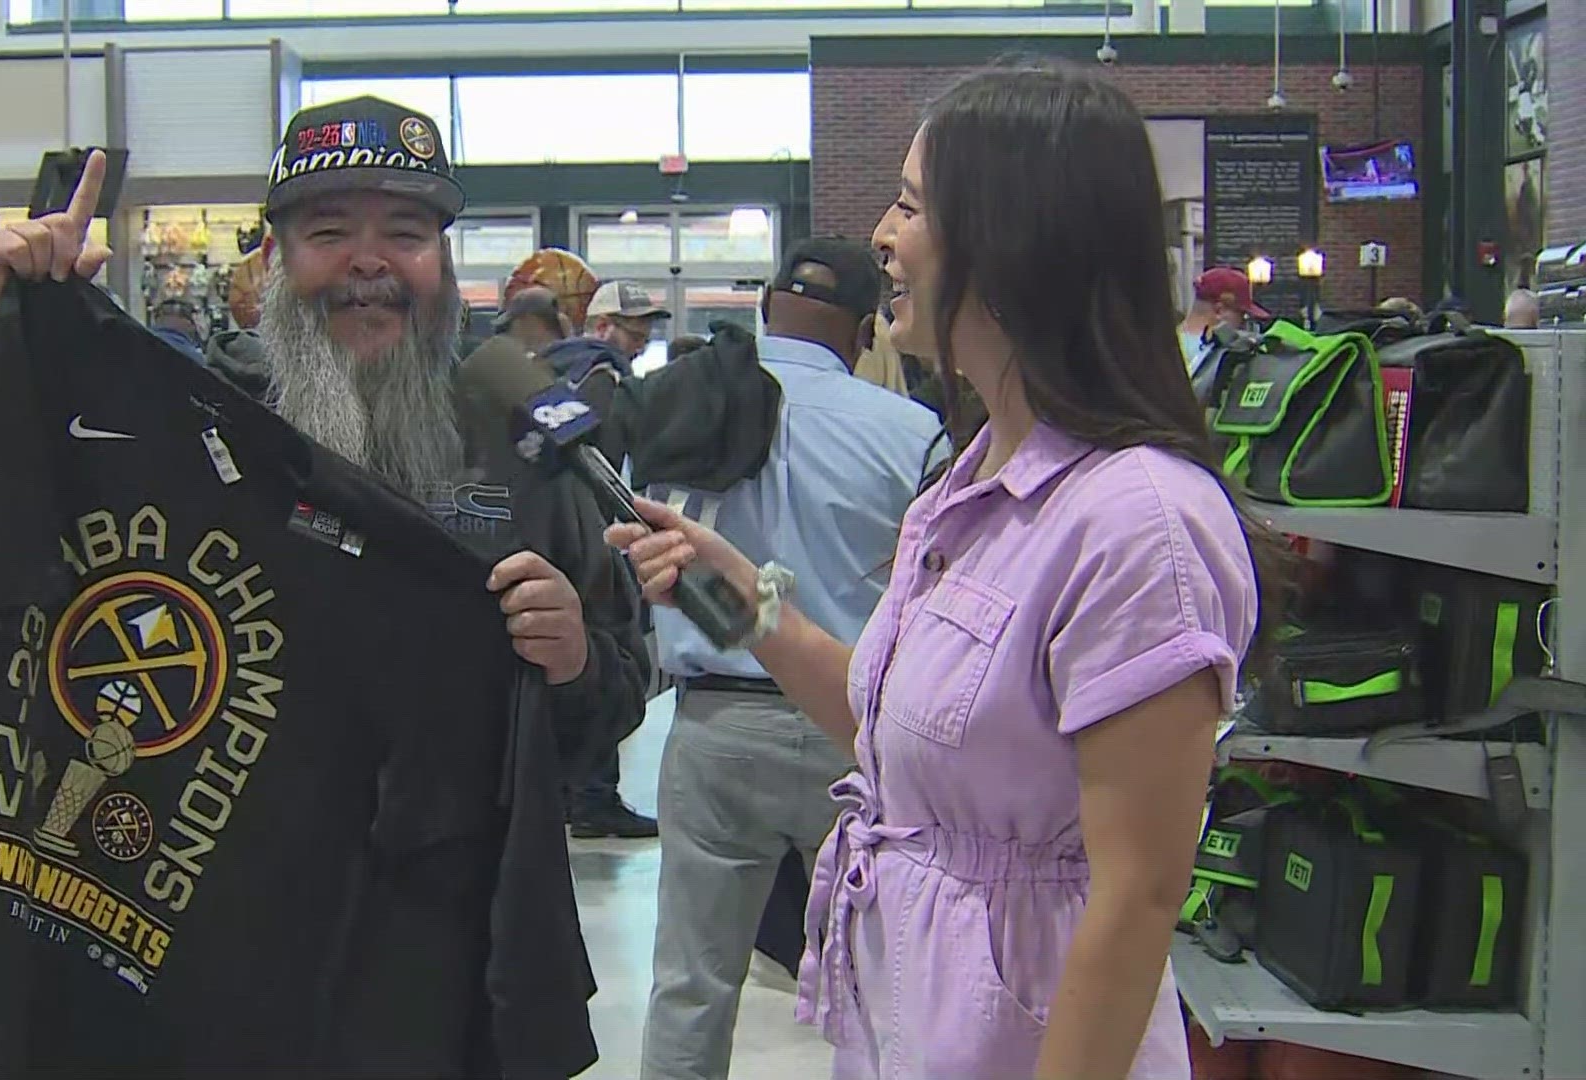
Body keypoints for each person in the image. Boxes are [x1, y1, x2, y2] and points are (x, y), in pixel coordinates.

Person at [0, 102, 652, 1053]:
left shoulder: (520, 454)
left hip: (427, 974)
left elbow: (612, 700)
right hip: (206, 948)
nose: (370, 262)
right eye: (329, 233)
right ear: (275, 260)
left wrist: (571, 660)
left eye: (405, 234)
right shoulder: (174, 429)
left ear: (441, 264)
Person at [610, 62, 1282, 1079]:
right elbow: (901, 733)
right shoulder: (968, 481)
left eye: (914, 205)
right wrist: (748, 602)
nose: (883, 234)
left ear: (1012, 239)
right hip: (911, 1027)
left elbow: (1137, 896)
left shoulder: (1138, 521)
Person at [640, 236, 943, 1080]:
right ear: (861, 330)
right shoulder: (913, 432)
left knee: (691, 985)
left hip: (713, 727)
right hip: (854, 731)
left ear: (768, 306)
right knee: (883, 991)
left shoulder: (677, 400)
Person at [536, 278, 671, 839]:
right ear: (601, 326)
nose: (638, 342)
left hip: (555, 528)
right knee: (611, 650)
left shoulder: (548, 369)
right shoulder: (603, 375)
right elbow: (595, 462)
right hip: (593, 532)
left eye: (643, 332)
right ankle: (594, 796)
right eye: (631, 330)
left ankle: (575, 792)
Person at [1178, 266, 1269, 372]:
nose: (1243, 324)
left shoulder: (1163, 343)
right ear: (1219, 311)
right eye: (1243, 315)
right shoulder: (1220, 356)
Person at [495, 285, 573, 357]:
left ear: (530, 320)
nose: (511, 331)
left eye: (514, 323)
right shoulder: (576, 355)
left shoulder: (541, 366)